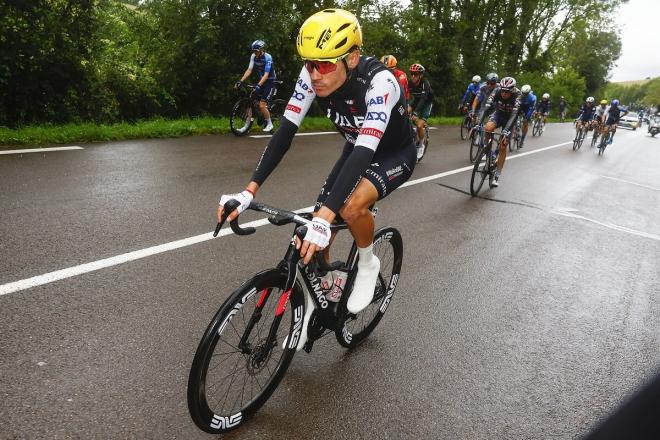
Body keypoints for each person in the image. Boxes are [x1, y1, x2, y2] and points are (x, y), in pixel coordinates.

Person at [218, 9, 415, 350]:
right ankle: (318, 293)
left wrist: (327, 217)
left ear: (352, 58)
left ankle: (368, 263)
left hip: (390, 153)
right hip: (356, 146)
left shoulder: (380, 82)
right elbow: (284, 133)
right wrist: (250, 190)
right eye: (309, 63)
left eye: (324, 65)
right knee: (314, 226)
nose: (315, 73)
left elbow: (366, 152)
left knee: (349, 208)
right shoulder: (311, 75)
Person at [476, 76, 521, 187]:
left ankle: (497, 174)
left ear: (512, 90)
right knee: (488, 127)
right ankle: (486, 150)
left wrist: (506, 131)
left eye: (507, 91)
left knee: (503, 145)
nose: (504, 93)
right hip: (499, 114)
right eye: (502, 90)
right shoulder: (497, 91)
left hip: (510, 118)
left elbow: (515, 114)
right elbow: (486, 107)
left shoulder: (518, 95)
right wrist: (478, 124)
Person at [235, 40, 277, 132]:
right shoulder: (253, 56)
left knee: (262, 105)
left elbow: (266, 75)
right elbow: (249, 70)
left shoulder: (268, 57)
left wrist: (258, 85)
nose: (255, 53)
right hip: (262, 81)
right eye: (253, 51)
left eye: (256, 51)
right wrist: (241, 81)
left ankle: (269, 124)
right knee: (250, 101)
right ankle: (246, 126)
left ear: (261, 49)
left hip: (270, 81)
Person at [408, 63, 434, 160]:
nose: (413, 76)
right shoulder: (410, 83)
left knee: (419, 125)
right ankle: (411, 135)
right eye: (411, 74)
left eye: (416, 74)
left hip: (426, 103)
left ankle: (421, 144)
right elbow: (406, 96)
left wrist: (415, 113)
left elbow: (423, 100)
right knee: (404, 113)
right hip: (416, 100)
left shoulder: (425, 83)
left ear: (421, 75)